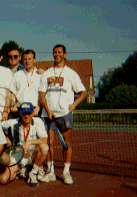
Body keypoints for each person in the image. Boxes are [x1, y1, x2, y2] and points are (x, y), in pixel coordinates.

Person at [39, 44, 87, 185]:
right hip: (47, 115)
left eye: (60, 52)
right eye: (55, 52)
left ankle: (66, 172)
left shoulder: (71, 73)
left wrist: (73, 105)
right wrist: (47, 110)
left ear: (65, 54)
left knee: (67, 144)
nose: (57, 54)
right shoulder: (46, 74)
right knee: (48, 144)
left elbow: (83, 92)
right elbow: (42, 95)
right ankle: (51, 172)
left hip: (64, 114)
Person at [0, 102, 48, 187]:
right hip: (17, 157)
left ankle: (33, 173)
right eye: (24, 113)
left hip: (32, 155)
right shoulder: (12, 123)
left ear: (33, 113)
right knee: (3, 179)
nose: (26, 116)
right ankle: (20, 170)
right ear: (20, 113)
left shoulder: (38, 122)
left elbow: (45, 139)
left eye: (29, 113)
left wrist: (29, 143)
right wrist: (7, 140)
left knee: (44, 147)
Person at [9, 49, 42, 118]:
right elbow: (13, 93)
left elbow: (43, 94)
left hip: (35, 110)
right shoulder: (17, 75)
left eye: (29, 59)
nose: (27, 61)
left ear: (34, 60)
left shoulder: (40, 75)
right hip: (19, 110)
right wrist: (13, 105)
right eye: (25, 59)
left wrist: (38, 108)